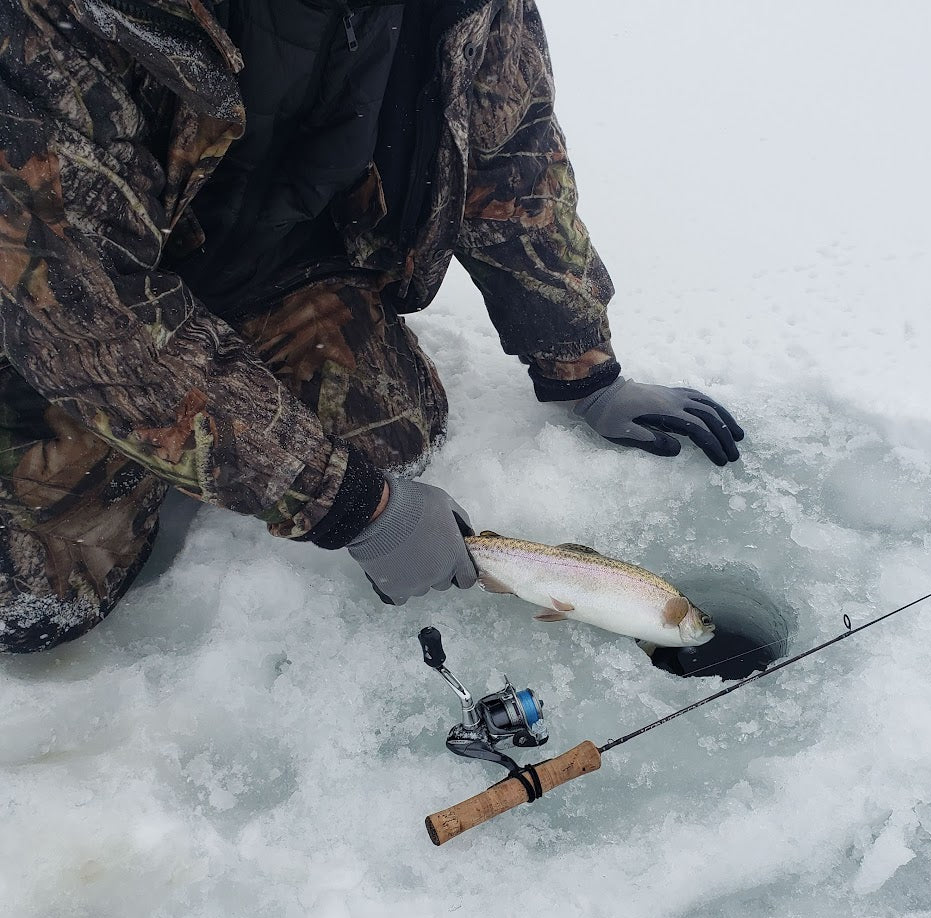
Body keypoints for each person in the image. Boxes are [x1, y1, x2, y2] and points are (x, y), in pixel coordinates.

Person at [0, 0, 743, 653]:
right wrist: (348, 505)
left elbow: (510, 153)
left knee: (393, 430)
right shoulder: (52, 19)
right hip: (49, 307)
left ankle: (209, 419)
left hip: (258, 264)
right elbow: (88, 310)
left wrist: (581, 364)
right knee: (36, 600)